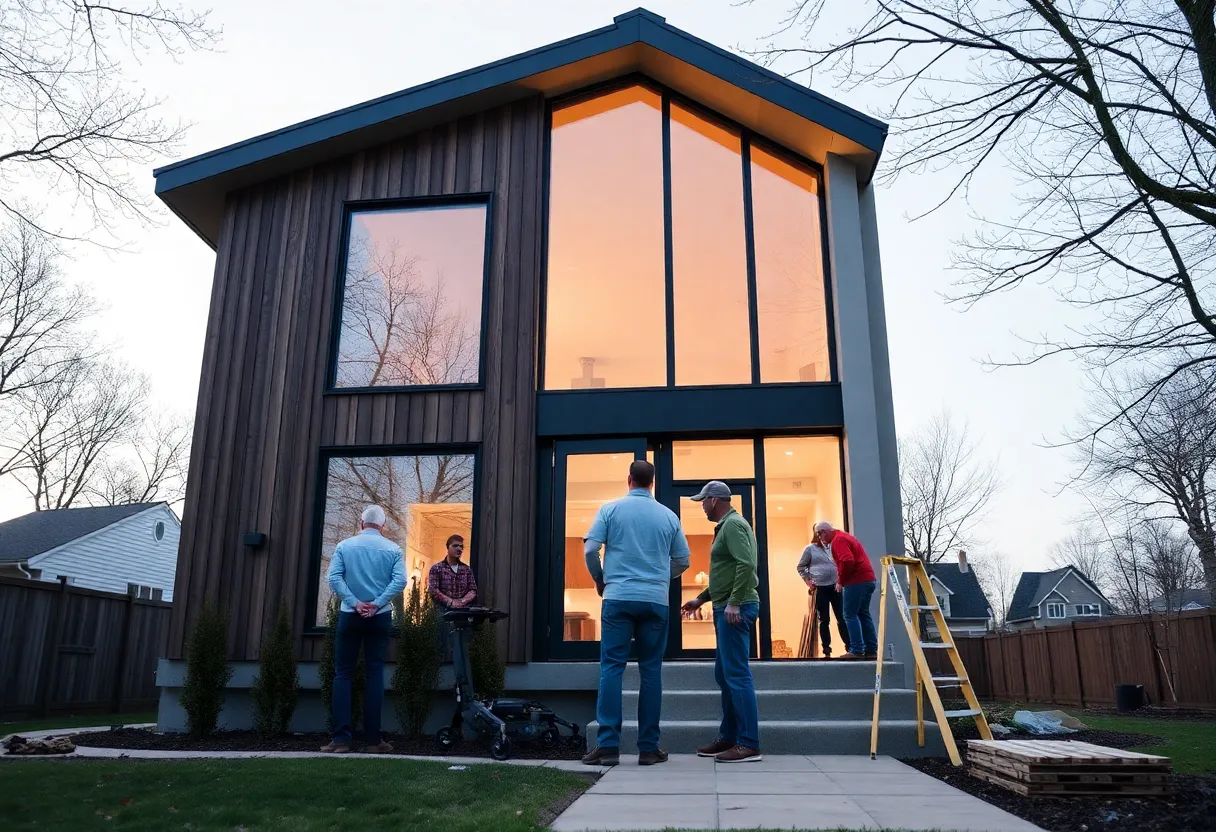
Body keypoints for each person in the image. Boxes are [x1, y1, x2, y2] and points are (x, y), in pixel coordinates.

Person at [581, 459, 690, 768]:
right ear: (652, 483)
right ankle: (648, 749)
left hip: (618, 597)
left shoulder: (610, 510)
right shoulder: (668, 516)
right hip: (655, 601)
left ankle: (608, 746)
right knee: (651, 671)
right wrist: (659, 578)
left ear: (629, 479)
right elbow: (683, 560)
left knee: (612, 668)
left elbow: (590, 550)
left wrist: (600, 579)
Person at [680, 481, 762, 763]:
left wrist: (735, 602)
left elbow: (746, 564)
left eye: (703, 501)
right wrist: (701, 599)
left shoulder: (733, 525)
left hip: (735, 608)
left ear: (714, 500)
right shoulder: (727, 526)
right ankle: (729, 737)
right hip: (725, 605)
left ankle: (749, 744)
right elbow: (726, 572)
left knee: (736, 675)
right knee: (725, 675)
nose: (702, 507)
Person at [322, 504, 407, 753]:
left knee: (343, 674)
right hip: (379, 616)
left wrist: (354, 603)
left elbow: (333, 578)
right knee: (375, 673)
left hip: (350, 615)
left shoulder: (344, 546)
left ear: (361, 523)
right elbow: (400, 580)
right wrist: (377, 603)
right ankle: (373, 741)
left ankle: (341, 740)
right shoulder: (393, 549)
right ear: (383, 526)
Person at [813, 521, 878, 660]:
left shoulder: (838, 540)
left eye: (819, 534)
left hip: (856, 581)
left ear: (824, 532)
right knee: (863, 613)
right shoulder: (845, 536)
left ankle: (856, 650)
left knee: (849, 614)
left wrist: (840, 581)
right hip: (868, 579)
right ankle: (871, 649)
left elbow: (847, 561)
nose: (820, 538)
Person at [797, 529, 849, 658]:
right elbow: (801, 567)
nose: (822, 536)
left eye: (824, 533)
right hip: (820, 588)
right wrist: (808, 581)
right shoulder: (810, 549)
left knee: (842, 618)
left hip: (835, 587)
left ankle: (850, 647)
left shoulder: (833, 547)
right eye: (819, 533)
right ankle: (827, 650)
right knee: (824, 620)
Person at [428, 534, 478, 610]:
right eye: (455, 546)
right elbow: (433, 590)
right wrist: (451, 602)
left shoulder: (467, 569)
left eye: (461, 546)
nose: (459, 549)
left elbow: (473, 590)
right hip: (442, 612)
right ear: (448, 547)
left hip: (462, 612)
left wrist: (462, 601)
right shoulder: (437, 568)